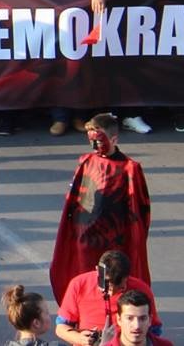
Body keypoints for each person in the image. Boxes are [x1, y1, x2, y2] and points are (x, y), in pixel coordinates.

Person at [47, 113, 150, 303]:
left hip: (114, 240)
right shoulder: (86, 161)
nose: (95, 146)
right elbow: (74, 200)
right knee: (86, 283)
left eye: (99, 141)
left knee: (112, 285)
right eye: (91, 141)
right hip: (85, 237)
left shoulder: (130, 168)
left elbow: (139, 210)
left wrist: (133, 240)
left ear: (114, 139)